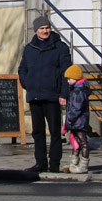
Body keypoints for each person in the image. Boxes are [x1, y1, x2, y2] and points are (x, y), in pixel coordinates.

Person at [17, 17, 72, 173]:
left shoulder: (60, 47)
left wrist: (63, 93)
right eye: (41, 28)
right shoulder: (29, 48)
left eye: (47, 28)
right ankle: (40, 162)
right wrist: (27, 83)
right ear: (36, 30)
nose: (45, 31)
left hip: (53, 96)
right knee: (37, 132)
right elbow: (22, 69)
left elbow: (65, 72)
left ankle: (54, 163)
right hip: (35, 96)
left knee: (55, 132)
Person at [63, 64, 91, 175]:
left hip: (78, 122)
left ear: (75, 78)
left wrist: (70, 119)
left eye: (69, 79)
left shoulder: (78, 91)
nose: (68, 81)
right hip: (75, 122)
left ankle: (83, 165)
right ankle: (74, 163)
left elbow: (77, 108)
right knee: (75, 142)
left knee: (83, 142)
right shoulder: (75, 90)